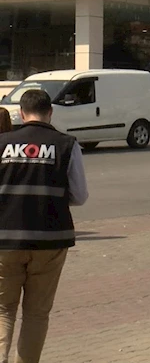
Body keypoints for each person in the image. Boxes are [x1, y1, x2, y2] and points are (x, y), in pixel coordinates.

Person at [0, 89, 88, 363]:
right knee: (37, 313)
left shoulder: (2, 143)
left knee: (3, 310)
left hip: (4, 240)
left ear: (21, 114)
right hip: (50, 240)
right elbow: (80, 195)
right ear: (50, 112)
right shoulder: (66, 144)